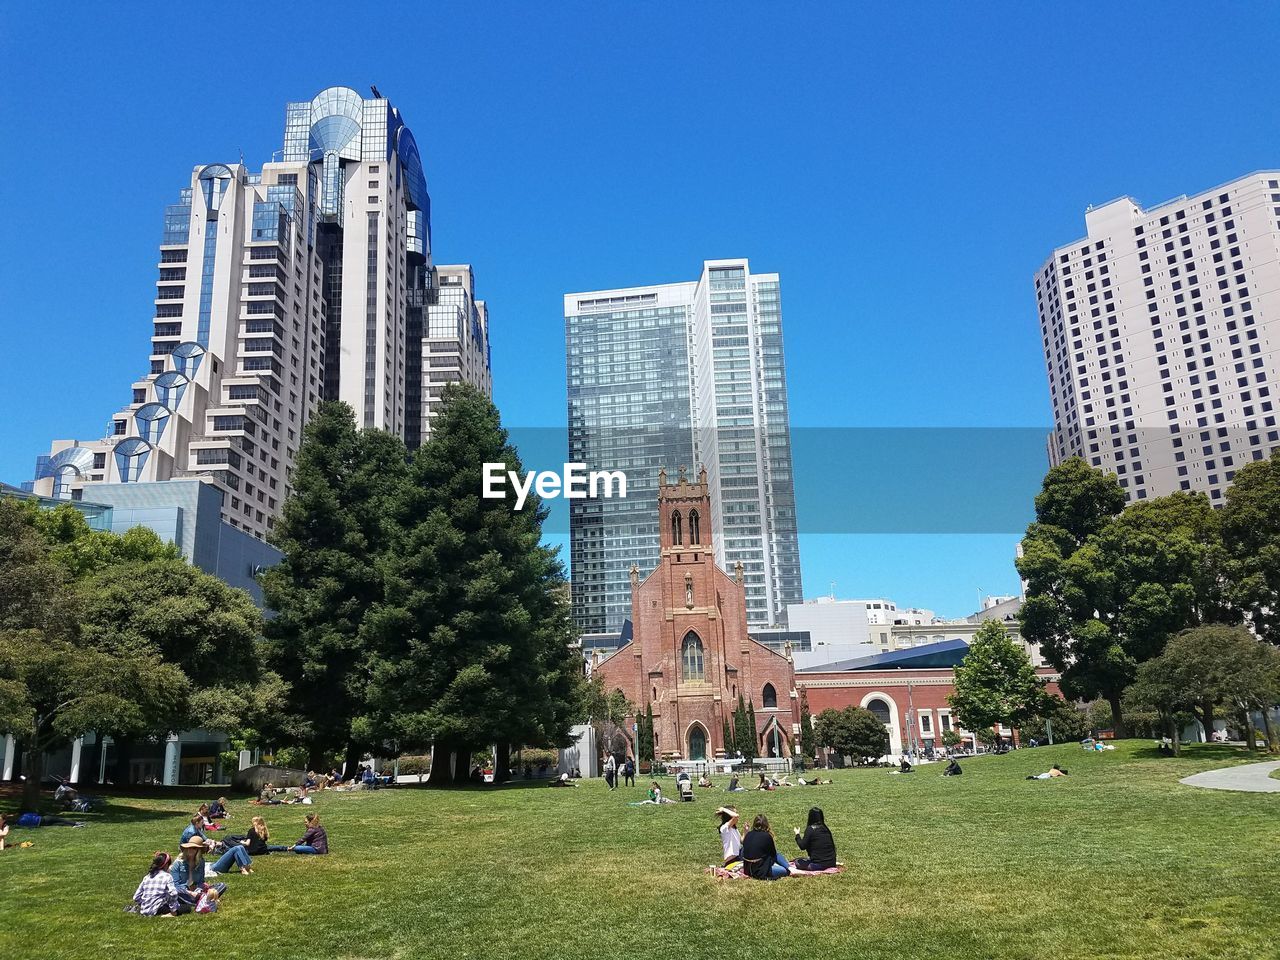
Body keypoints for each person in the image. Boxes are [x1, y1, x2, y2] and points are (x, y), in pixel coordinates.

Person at [740, 814, 792, 879]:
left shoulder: (748, 834)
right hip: (760, 872)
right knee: (785, 870)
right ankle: (790, 868)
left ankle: (789, 867)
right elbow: (773, 855)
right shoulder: (767, 836)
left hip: (747, 870)